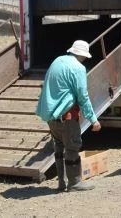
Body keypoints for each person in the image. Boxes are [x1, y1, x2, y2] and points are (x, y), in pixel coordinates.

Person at [36, 40, 102, 191]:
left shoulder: (57, 61)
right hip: (67, 116)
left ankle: (61, 182)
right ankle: (75, 182)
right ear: (82, 54)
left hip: (51, 116)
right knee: (72, 147)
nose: (85, 58)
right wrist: (93, 120)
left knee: (58, 147)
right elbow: (82, 96)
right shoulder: (78, 68)